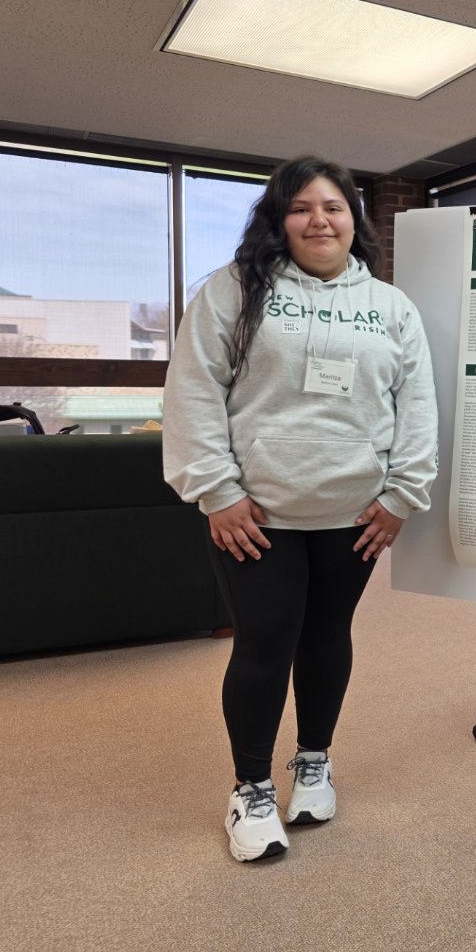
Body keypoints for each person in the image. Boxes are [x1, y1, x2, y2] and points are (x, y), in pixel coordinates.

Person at [163, 155, 439, 864]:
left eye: (335, 207)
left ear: (355, 220)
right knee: (264, 645)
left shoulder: (390, 306)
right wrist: (215, 491)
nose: (320, 218)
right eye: (302, 207)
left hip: (354, 513)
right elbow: (193, 390)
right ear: (279, 221)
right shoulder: (233, 291)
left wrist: (403, 494)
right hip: (257, 516)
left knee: (327, 638)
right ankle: (251, 788)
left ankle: (313, 763)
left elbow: (416, 407)